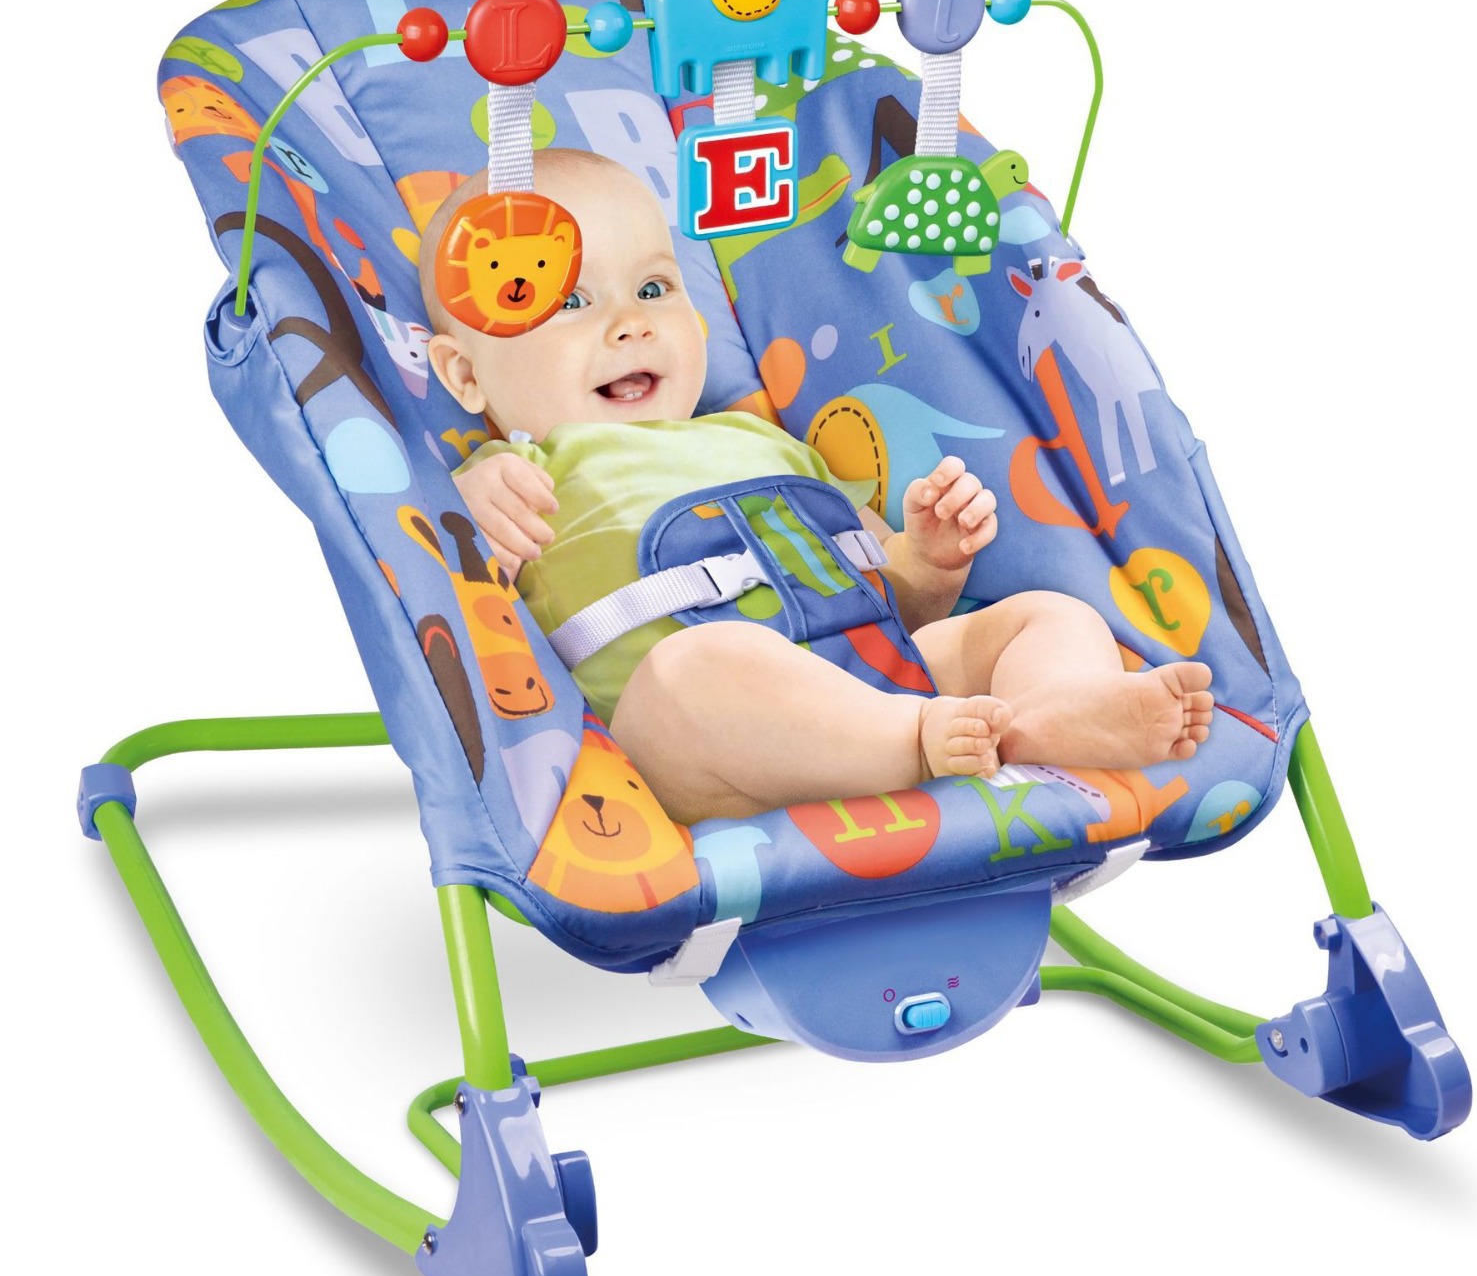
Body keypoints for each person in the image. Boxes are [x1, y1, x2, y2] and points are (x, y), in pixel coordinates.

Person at [423, 149, 1213, 825]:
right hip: (698, 746)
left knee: (1044, 616)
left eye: (655, 290)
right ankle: (919, 744)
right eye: (569, 301)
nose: (632, 324)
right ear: (464, 374)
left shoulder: (761, 440)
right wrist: (471, 507)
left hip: (876, 675)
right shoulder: (517, 473)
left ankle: (1051, 717)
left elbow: (882, 601)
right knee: (696, 666)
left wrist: (930, 565)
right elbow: (458, 598)